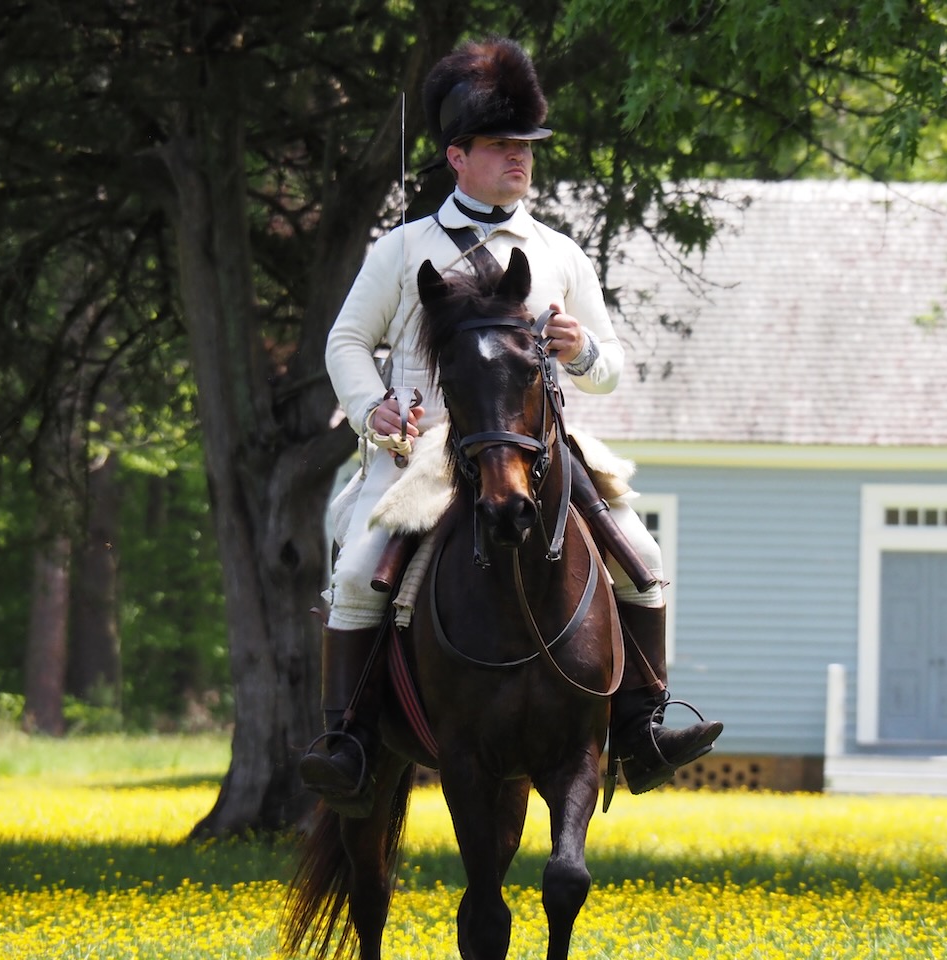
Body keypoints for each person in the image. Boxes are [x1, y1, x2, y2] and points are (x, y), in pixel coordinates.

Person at [300, 36, 722, 816]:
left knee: (644, 556)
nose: (520, 158)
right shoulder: (403, 249)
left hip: (533, 448)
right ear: (457, 157)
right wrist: (371, 407)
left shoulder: (559, 254)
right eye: (500, 146)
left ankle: (642, 726)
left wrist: (580, 347)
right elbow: (346, 342)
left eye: (525, 145)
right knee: (358, 573)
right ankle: (348, 741)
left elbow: (608, 367)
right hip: (421, 450)